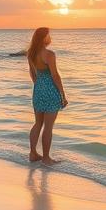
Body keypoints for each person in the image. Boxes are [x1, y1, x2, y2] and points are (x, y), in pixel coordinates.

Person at [26, 26, 68, 165]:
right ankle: (46, 158)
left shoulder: (31, 53)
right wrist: (62, 94)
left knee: (38, 123)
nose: (50, 38)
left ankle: (33, 153)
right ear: (44, 38)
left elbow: (32, 74)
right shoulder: (49, 54)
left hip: (38, 90)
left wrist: (39, 86)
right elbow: (55, 76)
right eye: (49, 35)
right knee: (48, 127)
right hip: (50, 91)